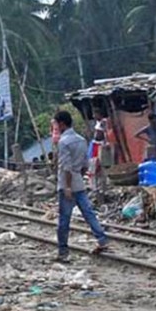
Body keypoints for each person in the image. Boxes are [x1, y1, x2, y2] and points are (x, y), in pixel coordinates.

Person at [54, 110, 110, 263]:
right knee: (88, 213)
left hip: (67, 184)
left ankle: (63, 251)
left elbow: (66, 167)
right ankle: (102, 238)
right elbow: (85, 165)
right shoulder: (81, 140)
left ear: (62, 124)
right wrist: (78, 176)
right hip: (79, 182)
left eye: (57, 123)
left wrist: (67, 187)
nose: (56, 126)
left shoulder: (63, 142)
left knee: (64, 219)